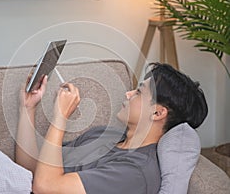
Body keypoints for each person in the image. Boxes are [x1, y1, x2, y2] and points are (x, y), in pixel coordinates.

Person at [15, 63, 208, 194]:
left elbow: (45, 187)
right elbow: (31, 170)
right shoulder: (104, 135)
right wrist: (27, 107)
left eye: (139, 92)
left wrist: (60, 117)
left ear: (157, 113)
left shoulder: (135, 172)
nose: (128, 93)